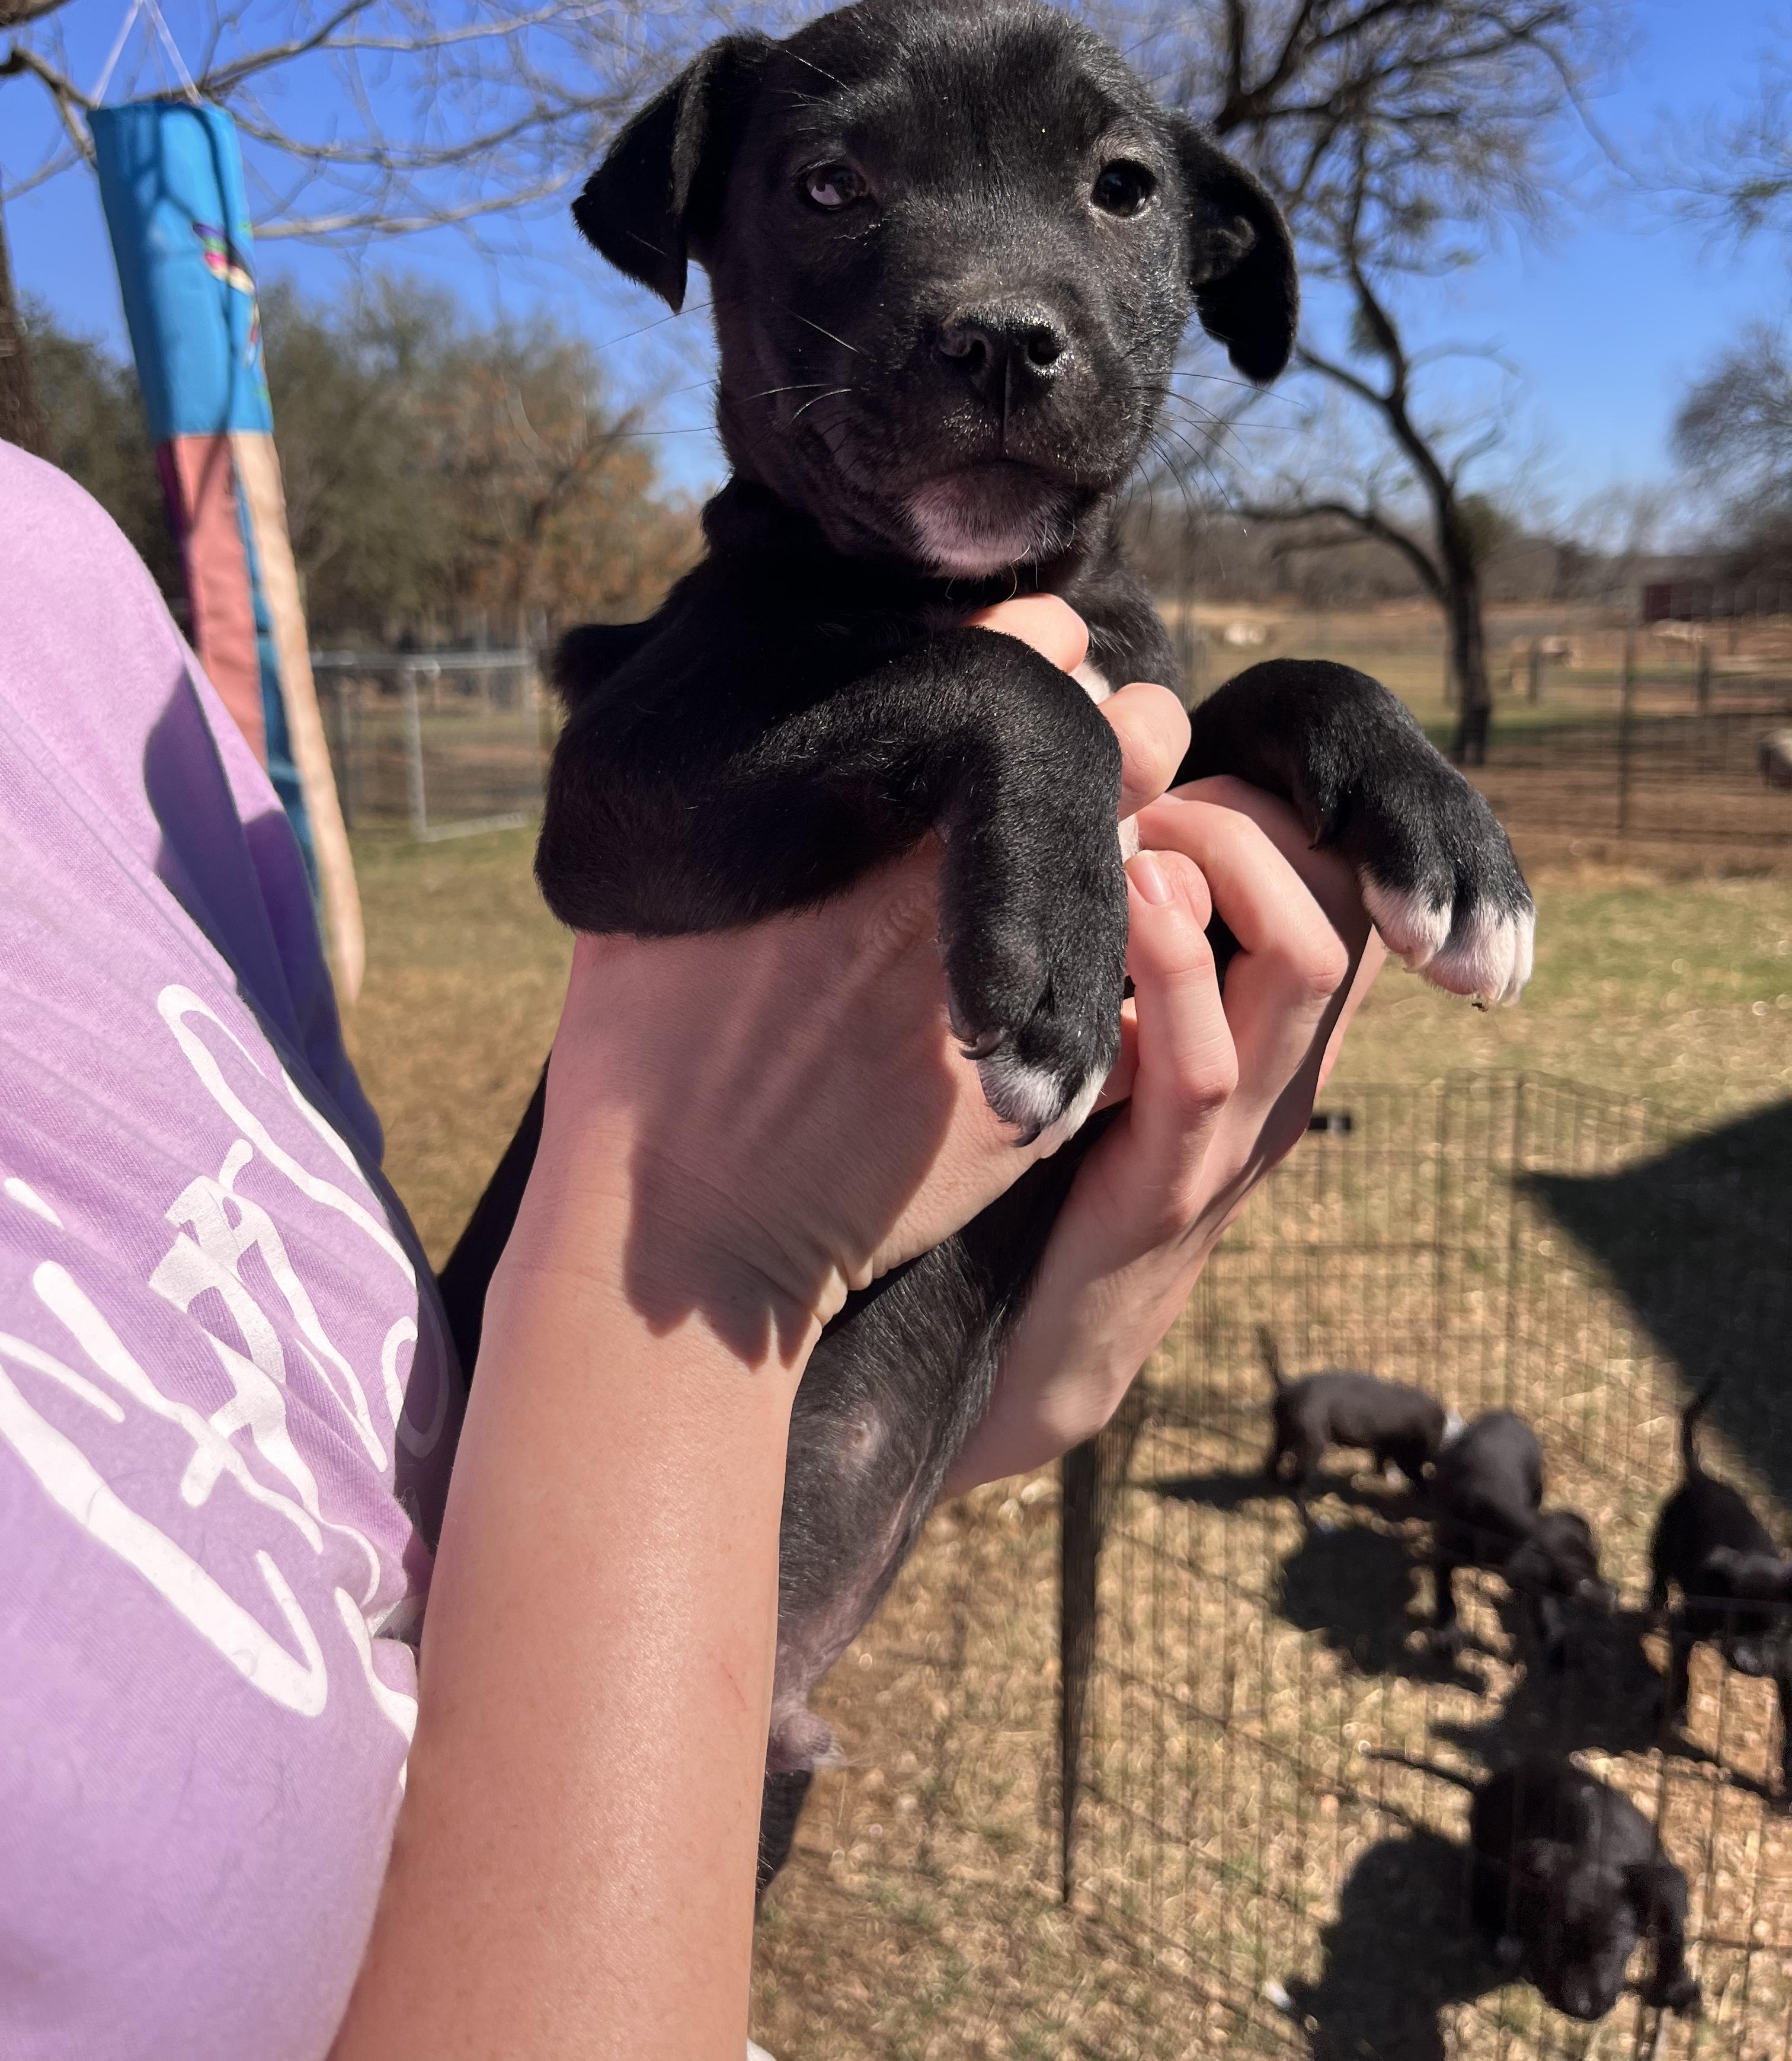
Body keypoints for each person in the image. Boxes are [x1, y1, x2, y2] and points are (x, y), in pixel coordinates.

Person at [0, 442, 1383, 2061]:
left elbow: (394, 1466)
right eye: (825, 175)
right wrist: (719, 1242)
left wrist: (988, 1383)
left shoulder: (57, 591)